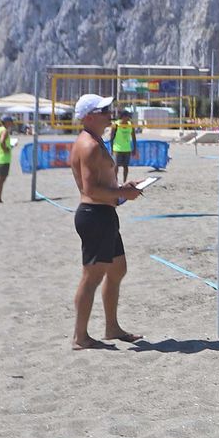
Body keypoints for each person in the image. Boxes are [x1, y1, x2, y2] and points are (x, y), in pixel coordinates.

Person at [68, 94, 142, 350]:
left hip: (104, 214)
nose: (109, 112)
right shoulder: (88, 145)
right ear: (88, 116)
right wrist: (123, 194)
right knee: (92, 276)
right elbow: (91, 190)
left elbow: (103, 184)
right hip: (94, 215)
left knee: (118, 269)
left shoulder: (96, 141)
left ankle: (112, 327)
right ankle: (80, 337)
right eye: (103, 110)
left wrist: (122, 188)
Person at [105, 109, 137, 183]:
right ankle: (115, 181)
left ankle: (124, 181)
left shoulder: (130, 124)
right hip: (117, 148)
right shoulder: (116, 124)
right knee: (116, 166)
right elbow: (112, 137)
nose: (129, 118)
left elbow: (134, 137)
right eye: (128, 116)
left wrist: (134, 148)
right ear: (123, 117)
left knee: (126, 166)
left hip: (127, 149)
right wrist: (112, 148)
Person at [0, 115, 16, 203]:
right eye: (10, 121)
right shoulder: (4, 131)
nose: (12, 123)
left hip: (0, 157)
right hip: (3, 158)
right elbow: (2, 141)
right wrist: (6, 149)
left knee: (1, 178)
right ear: (6, 122)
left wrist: (9, 146)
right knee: (1, 178)